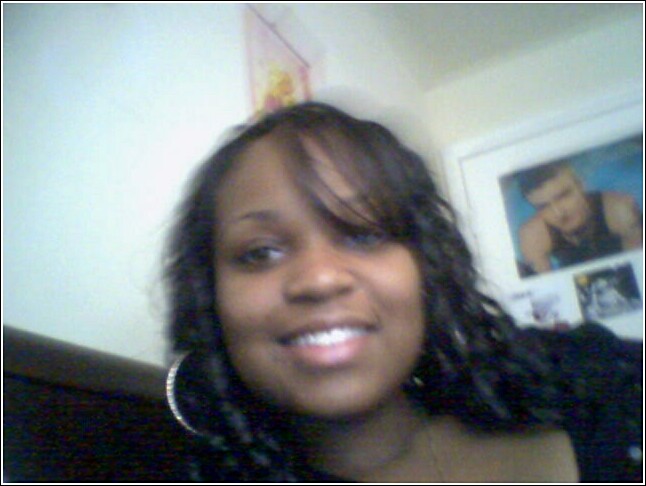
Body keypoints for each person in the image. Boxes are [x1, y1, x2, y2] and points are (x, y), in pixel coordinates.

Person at [163, 102, 642, 482]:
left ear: (426, 267)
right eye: (261, 252)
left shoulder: (593, 380)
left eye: (364, 233)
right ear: (210, 300)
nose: (321, 279)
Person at [517, 161, 642, 275]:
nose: (559, 212)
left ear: (581, 186)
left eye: (563, 196)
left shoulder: (618, 211)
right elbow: (543, 288)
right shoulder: (534, 236)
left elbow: (640, 272)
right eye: (543, 206)